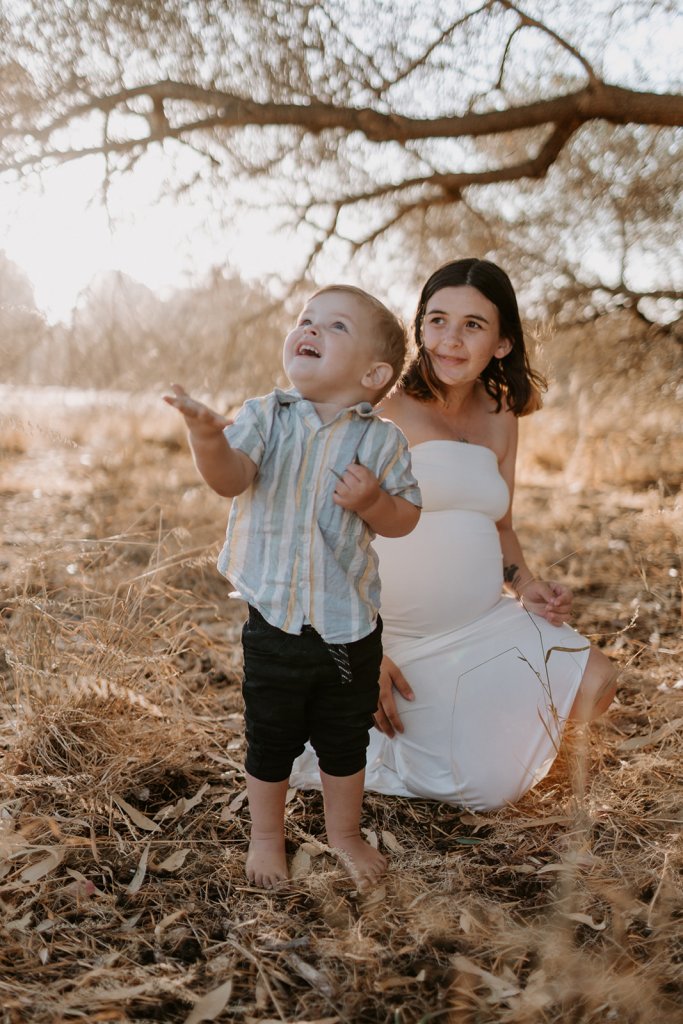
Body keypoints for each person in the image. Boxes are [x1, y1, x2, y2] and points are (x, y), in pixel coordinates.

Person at [291, 259, 617, 812]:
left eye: (472, 325)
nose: (450, 340)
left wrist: (527, 583)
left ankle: (467, 717)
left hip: (485, 621)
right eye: (437, 320)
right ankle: (352, 722)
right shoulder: (378, 407)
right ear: (419, 327)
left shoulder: (501, 414)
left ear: (502, 343)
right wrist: (358, 647)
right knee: (488, 788)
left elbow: (502, 524)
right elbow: (313, 530)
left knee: (598, 683)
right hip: (390, 640)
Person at [164, 285, 422, 888]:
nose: (309, 328)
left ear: (373, 373)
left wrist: (375, 501)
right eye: (305, 320)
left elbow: (405, 520)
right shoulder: (265, 417)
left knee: (343, 741)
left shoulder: (382, 441)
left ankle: (344, 834)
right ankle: (266, 838)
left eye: (334, 326)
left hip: (349, 627)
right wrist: (206, 436)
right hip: (274, 623)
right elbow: (231, 479)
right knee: (271, 737)